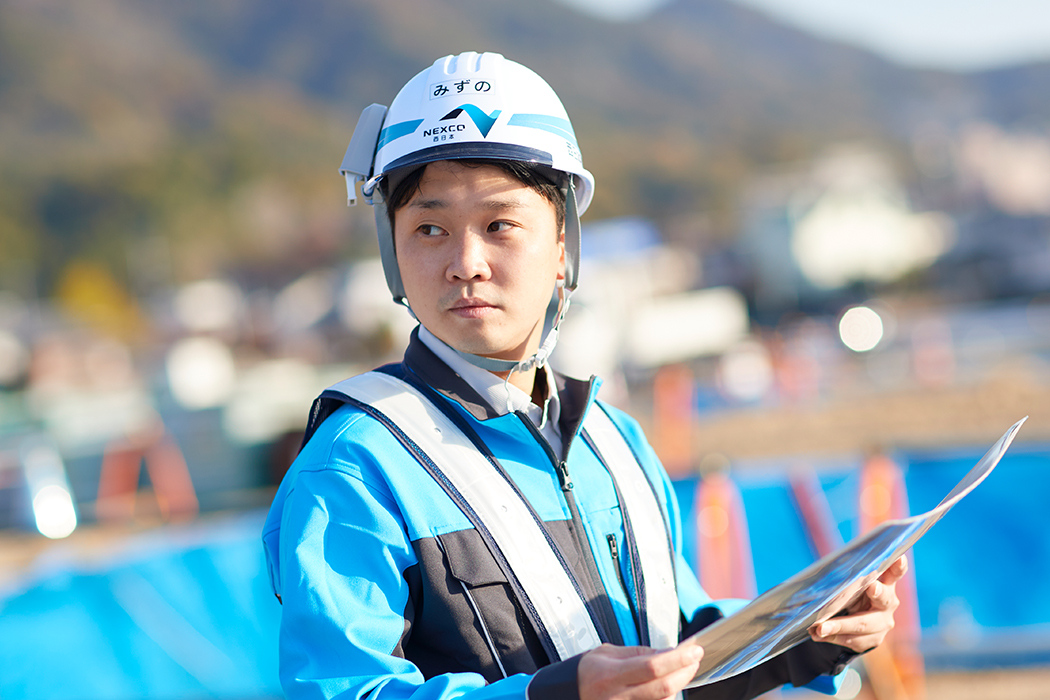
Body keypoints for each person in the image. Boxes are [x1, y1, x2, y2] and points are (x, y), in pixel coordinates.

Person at [262, 51, 905, 700]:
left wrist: (805, 640)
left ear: (564, 240)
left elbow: (672, 656)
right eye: (429, 228)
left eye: (499, 225)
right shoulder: (355, 466)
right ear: (392, 250)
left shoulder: (615, 440)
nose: (465, 262)